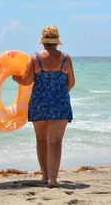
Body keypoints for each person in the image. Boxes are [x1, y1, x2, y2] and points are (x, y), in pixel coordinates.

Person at [12, 25, 75, 188]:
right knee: (55, 142)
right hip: (60, 105)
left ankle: (45, 175)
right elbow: (71, 83)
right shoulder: (66, 59)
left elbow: (26, 80)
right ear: (57, 42)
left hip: (39, 104)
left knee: (41, 141)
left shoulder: (35, 58)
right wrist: (58, 94)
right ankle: (53, 180)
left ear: (43, 41)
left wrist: (14, 77)